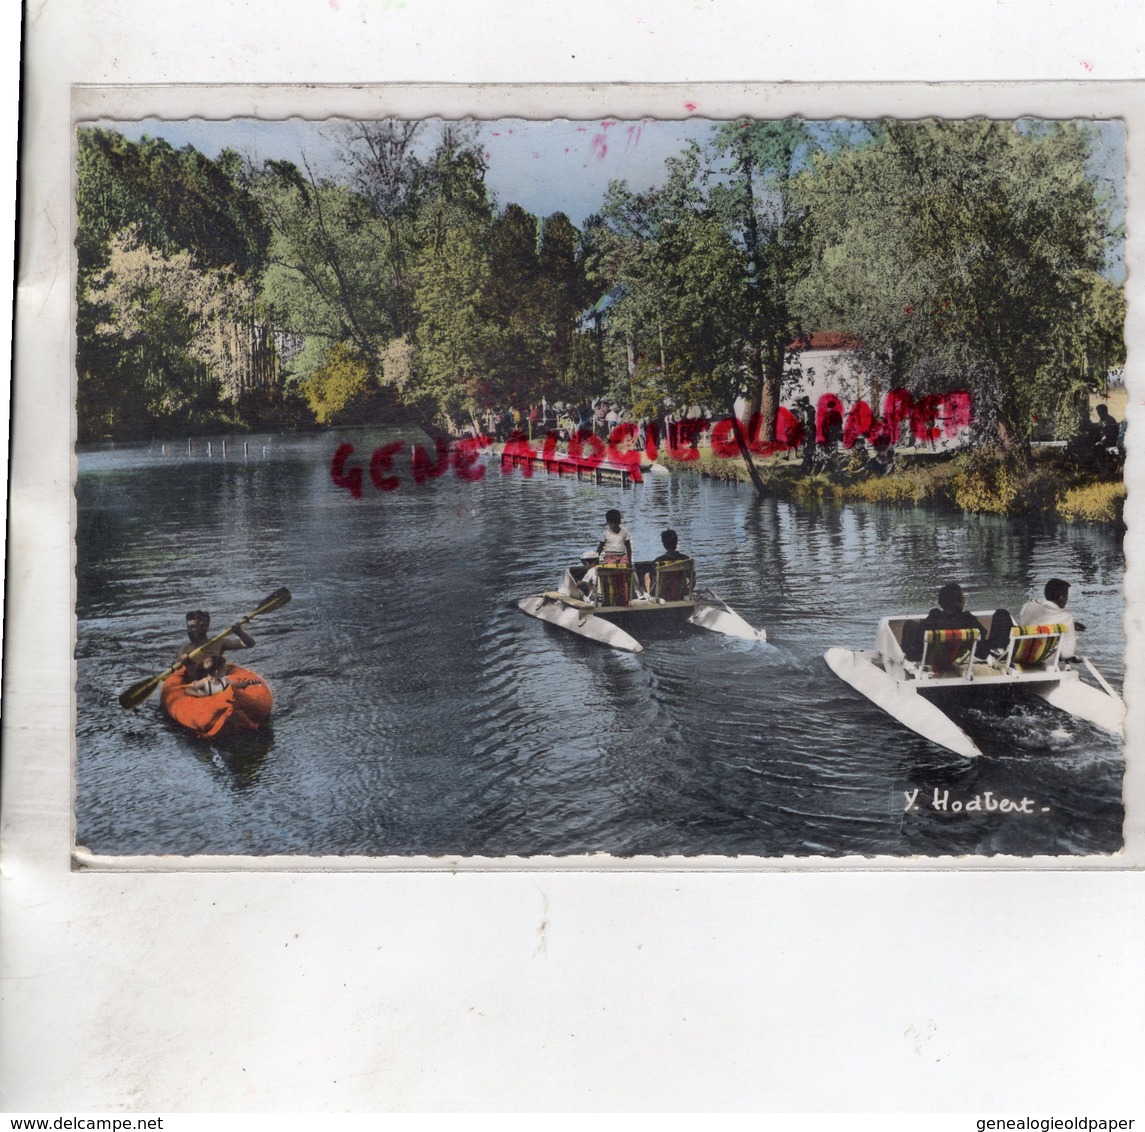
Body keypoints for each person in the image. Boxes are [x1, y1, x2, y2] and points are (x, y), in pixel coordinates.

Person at [903, 583, 1013, 662]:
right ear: (959, 603)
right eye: (963, 598)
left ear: (941, 603)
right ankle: (1002, 651)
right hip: (958, 654)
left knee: (910, 624)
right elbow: (982, 634)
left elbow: (920, 634)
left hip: (932, 657)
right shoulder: (966, 619)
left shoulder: (934, 617)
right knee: (1002, 614)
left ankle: (907, 658)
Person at [177, 608, 255, 680]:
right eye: (189, 627)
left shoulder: (218, 642)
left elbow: (250, 643)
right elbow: (175, 665)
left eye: (193, 627)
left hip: (218, 684)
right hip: (197, 687)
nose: (190, 631)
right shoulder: (185, 649)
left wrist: (240, 632)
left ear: (205, 628)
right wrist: (182, 660)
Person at [1019, 578, 1086, 660]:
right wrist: (1071, 626)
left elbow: (1038, 622)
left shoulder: (1027, 606)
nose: (1067, 599)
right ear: (1061, 597)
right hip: (1044, 659)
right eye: (1067, 596)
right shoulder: (1067, 619)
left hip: (1021, 654)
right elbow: (1067, 654)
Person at [580, 509, 635, 594]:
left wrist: (630, 561)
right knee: (611, 568)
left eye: (616, 523)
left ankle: (627, 587)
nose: (614, 525)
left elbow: (628, 547)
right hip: (610, 555)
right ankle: (611, 587)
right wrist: (596, 560)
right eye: (611, 523)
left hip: (622, 555)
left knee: (625, 568)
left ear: (619, 522)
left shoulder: (625, 532)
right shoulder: (605, 534)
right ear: (608, 523)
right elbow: (600, 547)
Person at [185, 653, 260, 697]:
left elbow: (237, 685)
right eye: (224, 669)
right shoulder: (204, 683)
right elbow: (188, 689)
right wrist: (201, 695)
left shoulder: (224, 680)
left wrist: (248, 683)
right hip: (208, 703)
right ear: (217, 671)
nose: (226, 670)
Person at [643, 528, 690, 592]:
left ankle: (648, 594)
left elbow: (653, 578)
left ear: (664, 544)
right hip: (680, 593)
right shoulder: (686, 559)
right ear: (676, 542)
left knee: (647, 575)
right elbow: (692, 579)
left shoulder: (658, 561)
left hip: (663, 594)